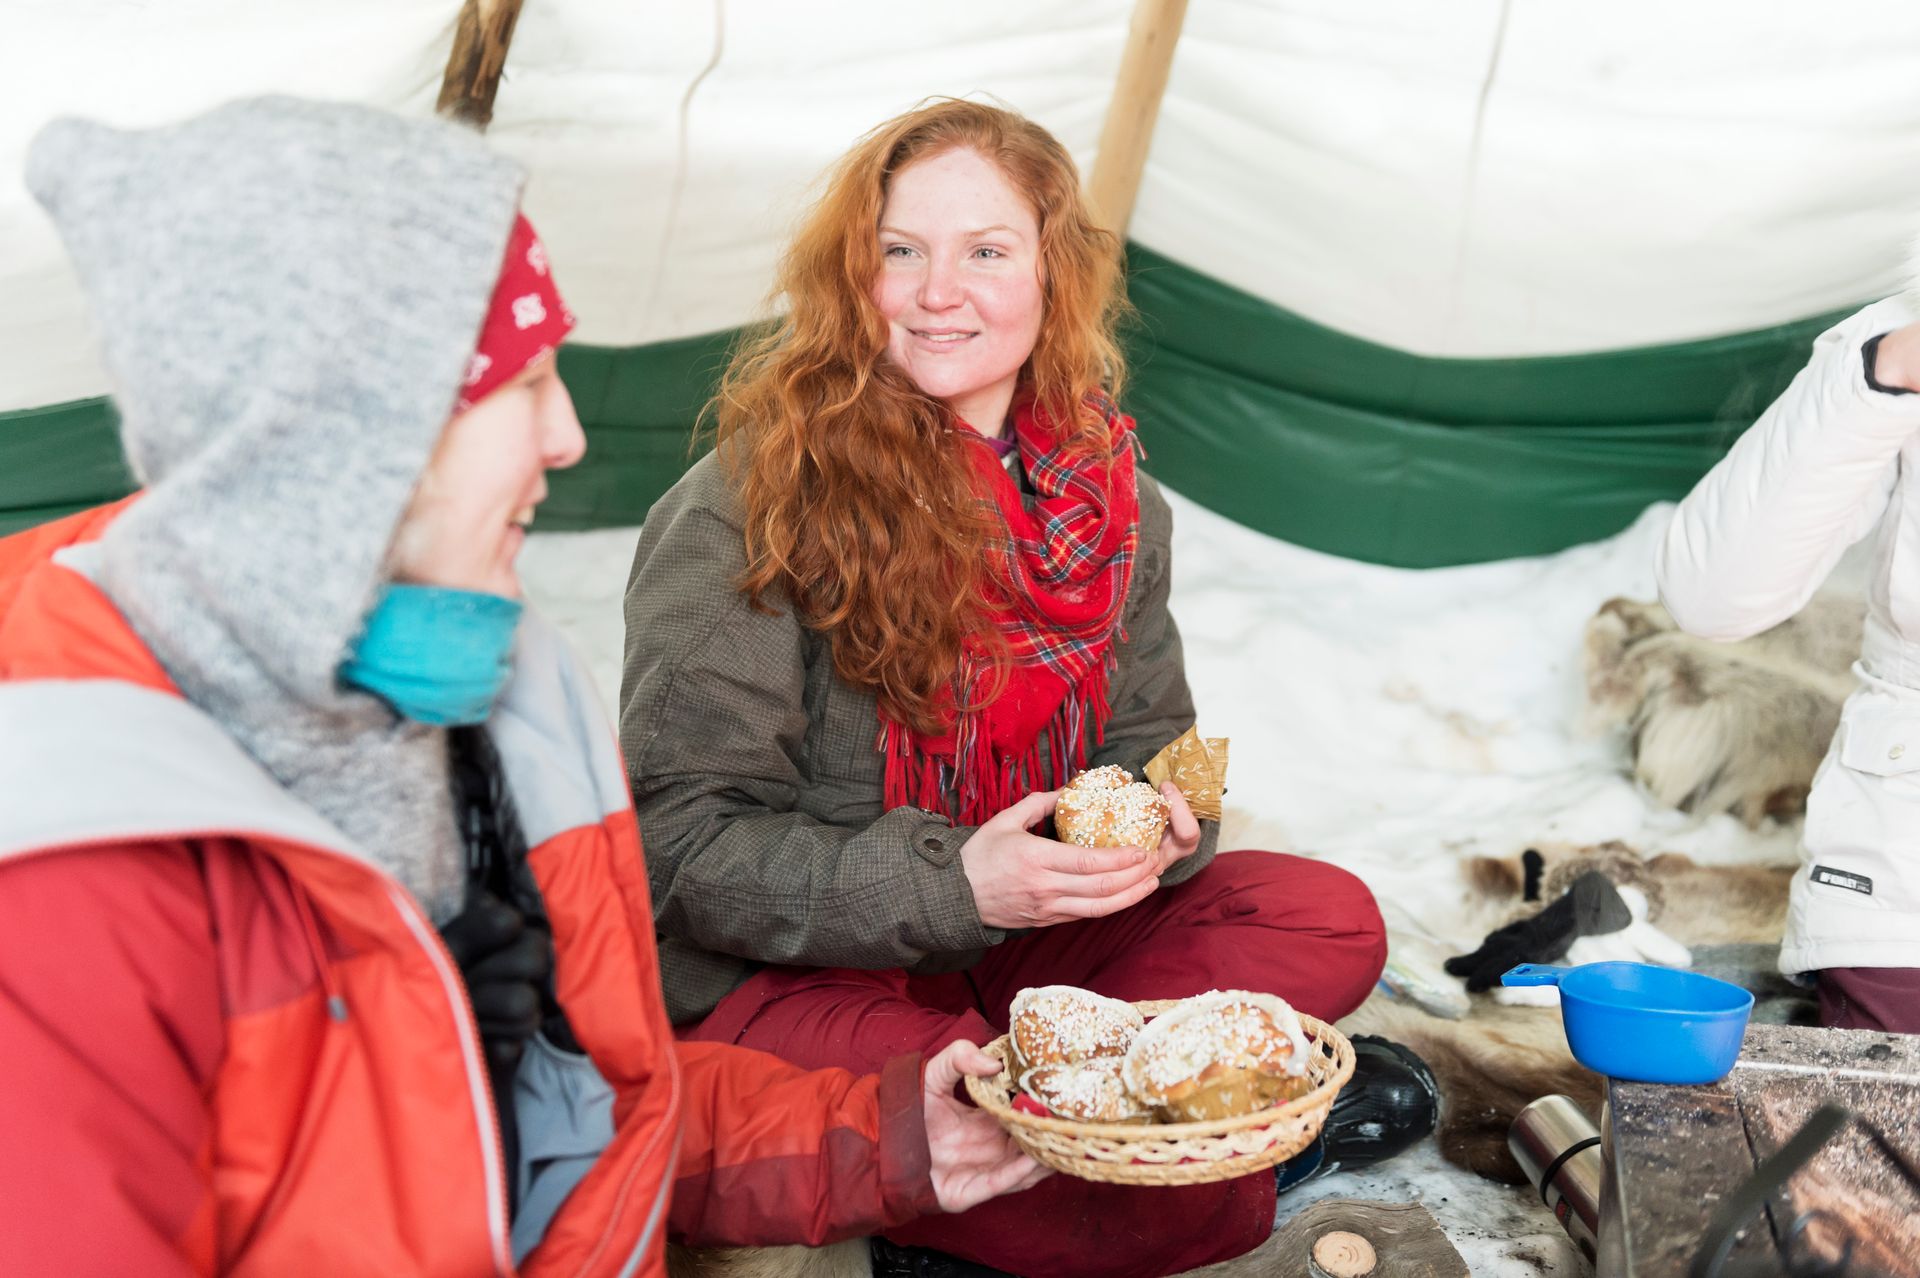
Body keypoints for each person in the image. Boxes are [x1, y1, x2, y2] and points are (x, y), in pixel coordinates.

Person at [0, 96, 1046, 1278]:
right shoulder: (71, 871)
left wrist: (900, 1140)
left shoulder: (499, 704)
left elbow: (596, 1115)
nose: (568, 438)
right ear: (346, 437)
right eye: (526, 380)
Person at [620, 99, 1437, 1278]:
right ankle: (1187, 1155)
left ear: (1055, 277)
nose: (935, 291)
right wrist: (959, 883)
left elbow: (1154, 742)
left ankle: (1034, 1128)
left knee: (1323, 917)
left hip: (1019, 950)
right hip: (795, 971)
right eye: (899, 251)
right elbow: (677, 847)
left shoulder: (1108, 498)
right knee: (1064, 1138)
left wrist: (1153, 834)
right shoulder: (747, 504)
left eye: (986, 252)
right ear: (854, 278)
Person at [1659, 291, 1920, 1033]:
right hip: (1907, 859)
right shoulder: (1897, 332)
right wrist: (1888, 372)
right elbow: (1711, 595)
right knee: (1884, 1133)